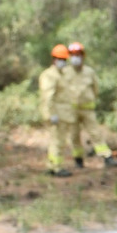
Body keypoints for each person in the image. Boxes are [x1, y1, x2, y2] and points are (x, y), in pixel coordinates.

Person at [57, 41, 117, 169]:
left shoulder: (89, 72)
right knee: (74, 136)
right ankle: (78, 160)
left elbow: (95, 89)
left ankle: (107, 157)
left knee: (96, 134)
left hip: (88, 110)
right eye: (73, 55)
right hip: (71, 110)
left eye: (78, 54)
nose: (76, 57)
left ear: (83, 56)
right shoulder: (65, 72)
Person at [40, 43, 72, 176]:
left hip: (62, 114)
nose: (62, 62)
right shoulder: (50, 75)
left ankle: (52, 165)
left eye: (64, 60)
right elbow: (48, 97)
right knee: (58, 142)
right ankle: (57, 167)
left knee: (57, 141)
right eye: (60, 59)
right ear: (54, 59)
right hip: (56, 115)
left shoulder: (61, 74)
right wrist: (51, 114)